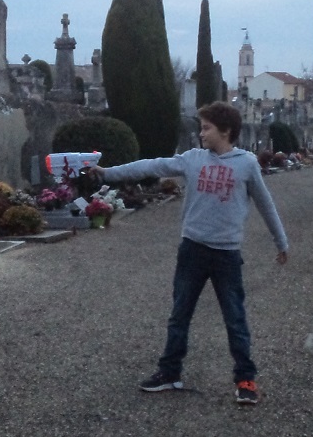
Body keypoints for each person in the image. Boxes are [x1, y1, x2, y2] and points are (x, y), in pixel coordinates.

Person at [85, 101, 288, 403]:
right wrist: (107, 173)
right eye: (201, 127)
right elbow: (151, 165)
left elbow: (265, 203)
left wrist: (281, 242)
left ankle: (245, 380)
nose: (201, 134)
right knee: (179, 315)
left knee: (235, 318)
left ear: (226, 130)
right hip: (192, 249)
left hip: (227, 255)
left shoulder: (246, 164)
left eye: (206, 128)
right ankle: (169, 372)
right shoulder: (192, 159)